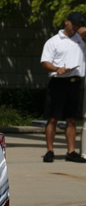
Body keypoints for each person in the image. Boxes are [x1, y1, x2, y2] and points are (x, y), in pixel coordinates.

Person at [40, 11, 86, 163]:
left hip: (76, 82)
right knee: (53, 118)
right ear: (66, 22)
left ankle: (71, 151)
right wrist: (56, 69)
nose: (76, 27)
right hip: (59, 82)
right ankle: (50, 150)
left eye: (79, 25)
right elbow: (45, 62)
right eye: (74, 24)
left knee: (72, 119)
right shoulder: (53, 41)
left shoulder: (79, 40)